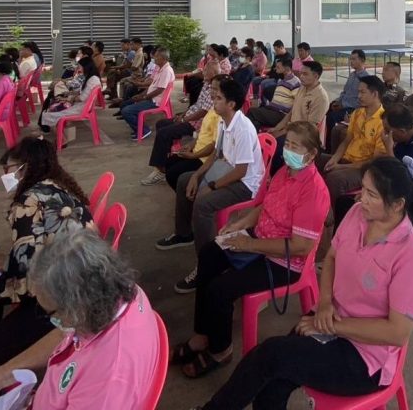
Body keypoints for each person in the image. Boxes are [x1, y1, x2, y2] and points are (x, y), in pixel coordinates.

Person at [193, 156, 413, 410]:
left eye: (371, 195)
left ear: (397, 205)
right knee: (272, 380)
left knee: (269, 357)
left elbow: (397, 333)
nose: (361, 198)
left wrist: (333, 327)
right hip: (328, 319)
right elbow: (331, 258)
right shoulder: (357, 214)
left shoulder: (412, 257)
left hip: (365, 358)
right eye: (363, 188)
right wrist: (325, 303)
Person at [175, 121, 329, 378]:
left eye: (296, 147)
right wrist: (241, 224)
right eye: (288, 144)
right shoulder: (285, 171)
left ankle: (220, 350)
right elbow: (265, 206)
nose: (288, 151)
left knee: (221, 289)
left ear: (312, 154)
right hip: (260, 239)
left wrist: (250, 244)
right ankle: (202, 335)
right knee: (209, 254)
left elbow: (301, 247)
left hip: (284, 262)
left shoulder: (313, 190)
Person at [0, 231, 162, 410]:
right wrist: (0, 374)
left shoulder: (107, 380)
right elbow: (64, 335)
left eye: (49, 312)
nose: (51, 320)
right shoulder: (118, 292)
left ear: (77, 308)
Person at [0, 134, 94, 384]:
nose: (5, 175)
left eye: (8, 169)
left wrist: (7, 281)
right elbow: (37, 249)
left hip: (63, 300)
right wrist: (6, 265)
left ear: (25, 168)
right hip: (77, 279)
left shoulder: (27, 202)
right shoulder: (58, 185)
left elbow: (29, 275)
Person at [157, 78, 265, 294]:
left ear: (231, 104)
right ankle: (184, 233)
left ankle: (206, 265)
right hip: (226, 170)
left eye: (218, 98)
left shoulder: (243, 128)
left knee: (203, 204)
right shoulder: (224, 122)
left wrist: (212, 186)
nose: (213, 101)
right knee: (184, 179)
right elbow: (216, 154)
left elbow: (241, 171)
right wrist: (197, 176)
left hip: (245, 184)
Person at [320, 75, 387, 219]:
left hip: (363, 168)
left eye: (362, 92)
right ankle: (315, 205)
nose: (358, 96)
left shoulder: (383, 122)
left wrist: (340, 167)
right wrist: (335, 159)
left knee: (334, 178)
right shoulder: (357, 113)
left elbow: (374, 162)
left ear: (375, 94)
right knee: (314, 159)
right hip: (346, 160)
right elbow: (346, 140)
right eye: (358, 92)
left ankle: (332, 219)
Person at [141, 62, 218, 186]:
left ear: (213, 73)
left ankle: (160, 170)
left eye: (205, 70)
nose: (202, 72)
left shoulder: (215, 90)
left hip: (195, 123)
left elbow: (203, 112)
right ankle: (164, 157)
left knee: (164, 133)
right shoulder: (206, 84)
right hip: (190, 117)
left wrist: (184, 120)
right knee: (161, 124)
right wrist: (183, 114)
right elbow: (196, 105)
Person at [266, 60, 329, 171]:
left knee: (276, 147)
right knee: (267, 139)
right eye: (301, 73)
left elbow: (309, 129)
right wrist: (277, 128)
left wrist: (282, 132)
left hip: (304, 136)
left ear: (316, 76)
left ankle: (277, 175)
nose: (301, 77)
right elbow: (291, 112)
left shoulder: (321, 98)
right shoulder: (303, 87)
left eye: (305, 74)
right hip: (292, 130)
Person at [121, 48, 176, 138]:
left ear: (163, 58)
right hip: (151, 98)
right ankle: (139, 128)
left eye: (157, 56)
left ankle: (144, 131)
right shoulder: (160, 68)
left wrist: (144, 97)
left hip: (155, 102)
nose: (154, 58)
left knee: (126, 111)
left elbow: (159, 90)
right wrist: (141, 95)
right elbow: (152, 86)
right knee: (126, 104)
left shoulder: (167, 71)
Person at [40, 56, 101, 132]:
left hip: (82, 108)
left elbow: (82, 98)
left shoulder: (92, 79)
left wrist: (67, 99)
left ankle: (60, 135)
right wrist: (67, 95)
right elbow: (81, 92)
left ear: (86, 67)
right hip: (83, 105)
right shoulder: (91, 77)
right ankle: (59, 132)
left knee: (50, 111)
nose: (78, 68)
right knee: (54, 102)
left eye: (79, 67)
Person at [326, 49, 369, 147]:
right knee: (327, 109)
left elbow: (361, 100)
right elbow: (345, 92)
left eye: (354, 59)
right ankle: (325, 142)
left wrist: (343, 105)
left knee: (332, 117)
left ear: (362, 60)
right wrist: (337, 101)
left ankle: (330, 147)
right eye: (350, 59)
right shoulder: (352, 75)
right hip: (343, 104)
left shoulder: (365, 78)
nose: (351, 61)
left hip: (353, 108)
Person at [247, 56, 300, 129]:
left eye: (278, 67)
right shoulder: (281, 80)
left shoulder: (295, 82)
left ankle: (253, 134)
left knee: (252, 112)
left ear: (287, 69)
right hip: (272, 110)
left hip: (281, 114)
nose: (275, 69)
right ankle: (256, 133)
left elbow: (297, 103)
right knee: (254, 118)